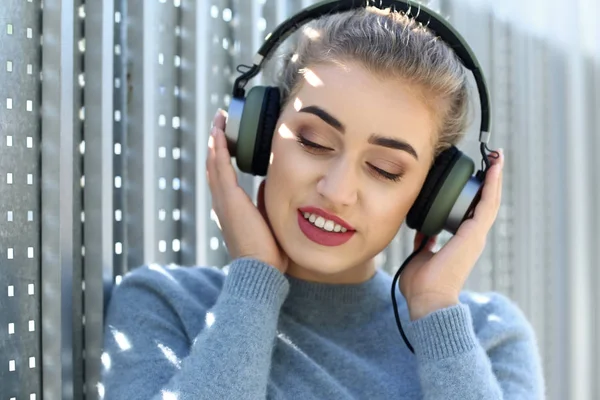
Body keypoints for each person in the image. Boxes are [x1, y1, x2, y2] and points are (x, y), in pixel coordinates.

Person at [101, 5, 545, 399]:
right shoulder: (164, 306)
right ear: (259, 134)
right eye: (313, 141)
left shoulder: (487, 338)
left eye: (385, 169)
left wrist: (434, 310)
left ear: (433, 196)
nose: (336, 190)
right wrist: (253, 279)